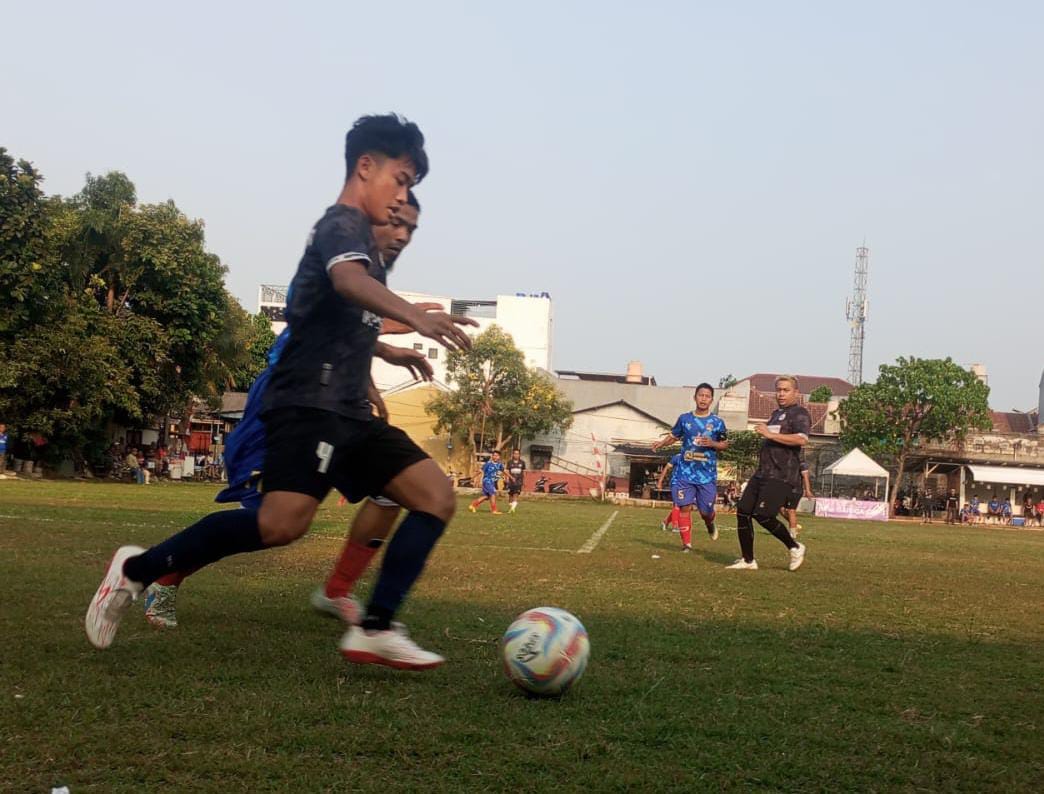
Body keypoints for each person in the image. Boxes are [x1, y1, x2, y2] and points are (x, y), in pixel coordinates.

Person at [87, 113, 477, 671]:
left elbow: (343, 323)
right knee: (280, 525)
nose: (402, 197)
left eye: (412, 187)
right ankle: (138, 569)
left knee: (435, 496)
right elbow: (346, 283)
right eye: (401, 177)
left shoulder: (369, 253)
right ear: (366, 167)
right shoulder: (341, 226)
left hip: (348, 411)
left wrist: (391, 349)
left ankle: (376, 626)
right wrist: (418, 317)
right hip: (307, 405)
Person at [143, 193, 431, 630]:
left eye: (408, 226)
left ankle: (337, 590)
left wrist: (377, 363)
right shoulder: (337, 265)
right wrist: (396, 333)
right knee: (270, 520)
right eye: (393, 221)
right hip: (285, 406)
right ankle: (163, 575)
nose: (400, 234)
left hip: (336, 409)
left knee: (393, 490)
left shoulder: (364, 275)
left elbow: (355, 333)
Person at [726, 375, 808, 571]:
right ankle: (748, 560)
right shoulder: (775, 414)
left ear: (796, 392)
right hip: (762, 472)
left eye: (785, 390)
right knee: (743, 511)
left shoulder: (800, 413)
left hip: (781, 475)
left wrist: (770, 434)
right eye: (778, 390)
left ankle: (795, 547)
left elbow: (801, 439)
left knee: (762, 515)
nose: (781, 393)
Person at [652, 383, 728, 550]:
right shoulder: (684, 419)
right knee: (684, 507)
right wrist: (661, 443)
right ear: (695, 397)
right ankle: (687, 544)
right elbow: (673, 436)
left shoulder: (717, 422)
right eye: (701, 395)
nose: (703, 399)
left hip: (706, 475)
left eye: (707, 396)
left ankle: (710, 522)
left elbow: (725, 444)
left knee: (705, 512)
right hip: (685, 473)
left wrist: (713, 443)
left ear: (711, 400)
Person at [780, 459, 813, 537]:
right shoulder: (786, 462)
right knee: (780, 508)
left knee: (791, 511)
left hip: (796, 490)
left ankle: (793, 533)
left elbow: (806, 477)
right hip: (785, 489)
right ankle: (795, 525)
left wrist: (808, 490)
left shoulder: (802, 464)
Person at [656, 453, 684, 534]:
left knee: (683, 506)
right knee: (677, 504)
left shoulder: (692, 457)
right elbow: (666, 468)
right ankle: (675, 526)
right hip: (676, 483)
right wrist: (660, 481)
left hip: (686, 484)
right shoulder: (677, 457)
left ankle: (665, 522)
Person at [505, 449, 527, 513]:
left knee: (516, 494)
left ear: (519, 455)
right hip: (511, 481)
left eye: (517, 454)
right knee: (510, 495)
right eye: (515, 453)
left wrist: (524, 481)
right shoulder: (509, 462)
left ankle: (512, 509)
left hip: (519, 481)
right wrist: (506, 479)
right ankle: (511, 507)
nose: (516, 455)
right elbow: (507, 471)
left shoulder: (522, 462)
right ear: (513, 454)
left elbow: (524, 472)